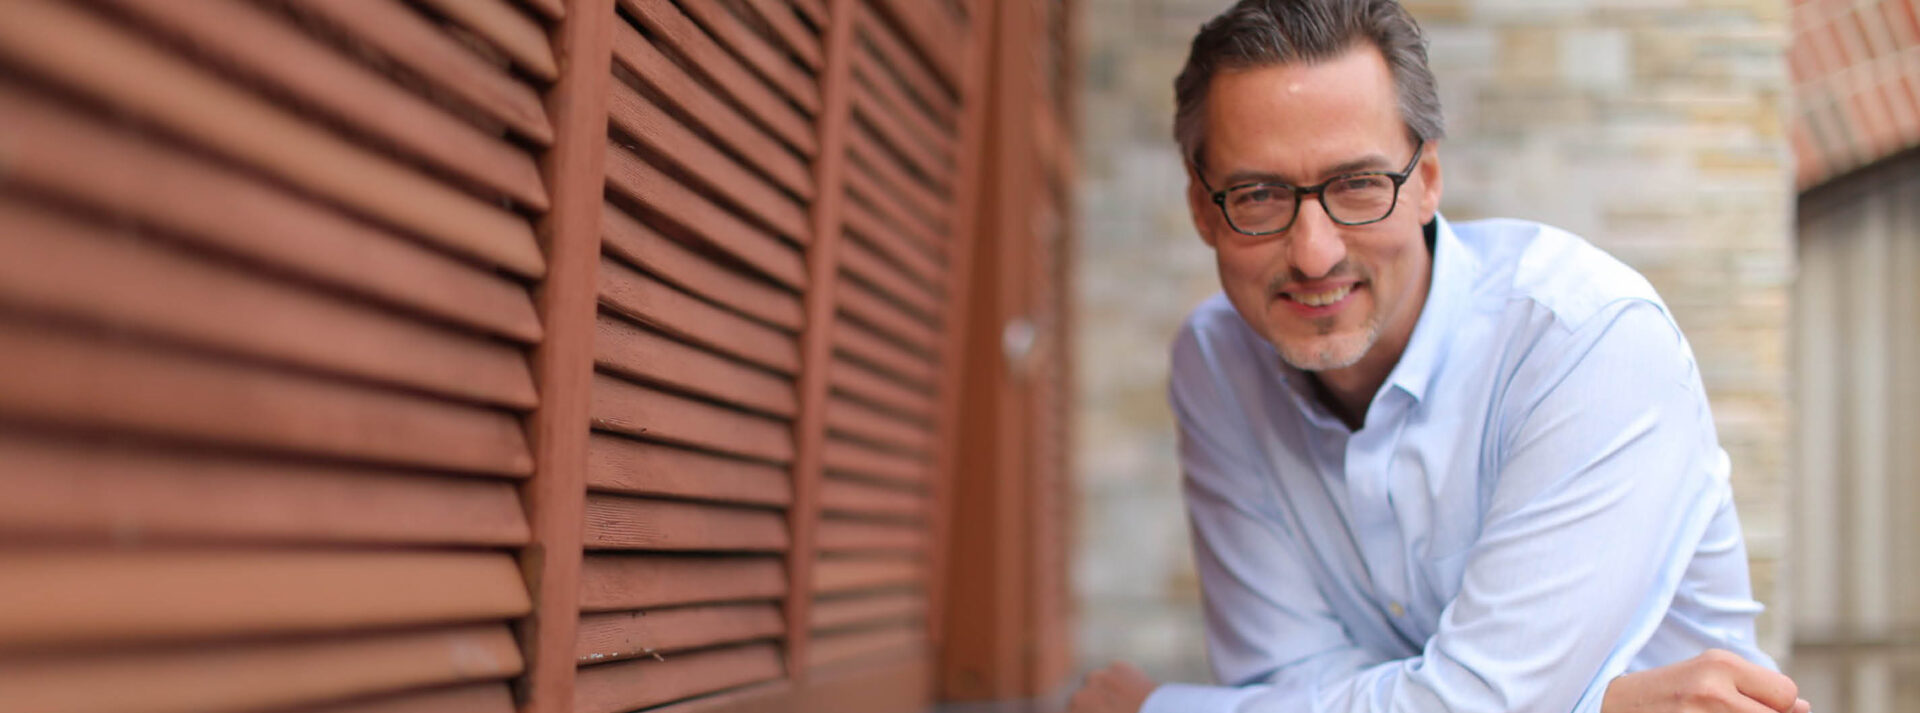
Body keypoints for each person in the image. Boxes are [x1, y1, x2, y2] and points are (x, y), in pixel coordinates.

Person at [1066, 2, 1812, 712]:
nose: (1315, 252)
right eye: (1259, 195)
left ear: (1426, 181)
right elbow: (1286, 681)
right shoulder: (1217, 362)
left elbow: (1468, 700)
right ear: (1203, 209)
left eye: (1358, 185)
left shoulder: (1584, 339)